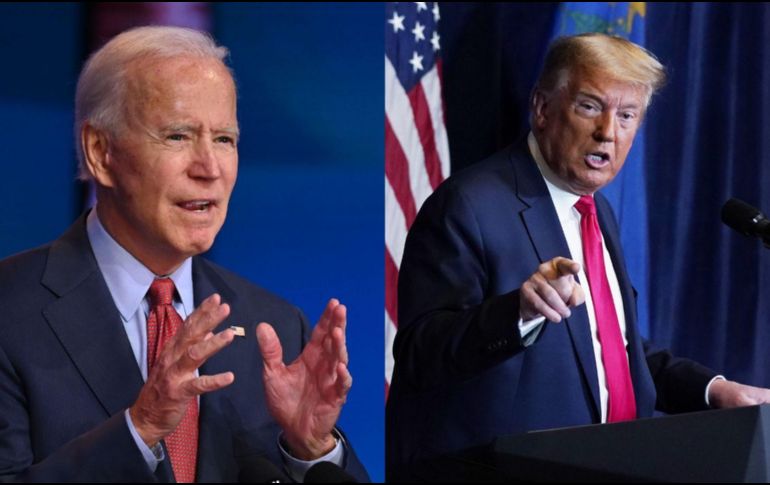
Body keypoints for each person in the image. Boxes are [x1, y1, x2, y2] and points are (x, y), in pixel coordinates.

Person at [386, 33, 770, 474]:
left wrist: (711, 389)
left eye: (627, 115)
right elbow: (421, 352)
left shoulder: (595, 209)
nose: (609, 132)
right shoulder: (468, 206)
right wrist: (518, 313)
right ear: (543, 109)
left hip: (607, 467)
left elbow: (608, 350)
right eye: (590, 106)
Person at [0, 26, 368, 482]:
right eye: (177, 136)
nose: (209, 168)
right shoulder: (9, 312)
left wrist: (310, 449)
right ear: (100, 152)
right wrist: (142, 428)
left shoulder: (272, 326)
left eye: (224, 139)